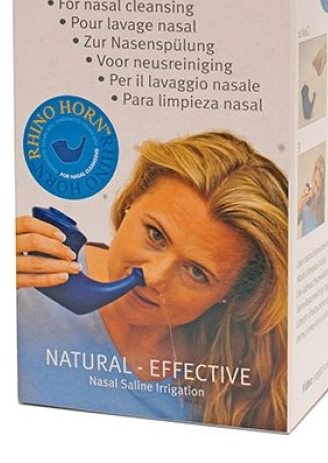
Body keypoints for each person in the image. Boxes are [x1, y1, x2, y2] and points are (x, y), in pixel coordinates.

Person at [16, 131, 288, 431]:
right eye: (156, 235)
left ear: (234, 294)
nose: (153, 277)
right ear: (130, 201)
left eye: (197, 272)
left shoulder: (242, 389)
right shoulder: (25, 280)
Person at [297, 155, 325, 235]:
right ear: (312, 178)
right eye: (314, 182)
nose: (315, 190)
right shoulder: (307, 198)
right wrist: (298, 208)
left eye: (318, 188)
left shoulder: (323, 205)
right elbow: (293, 224)